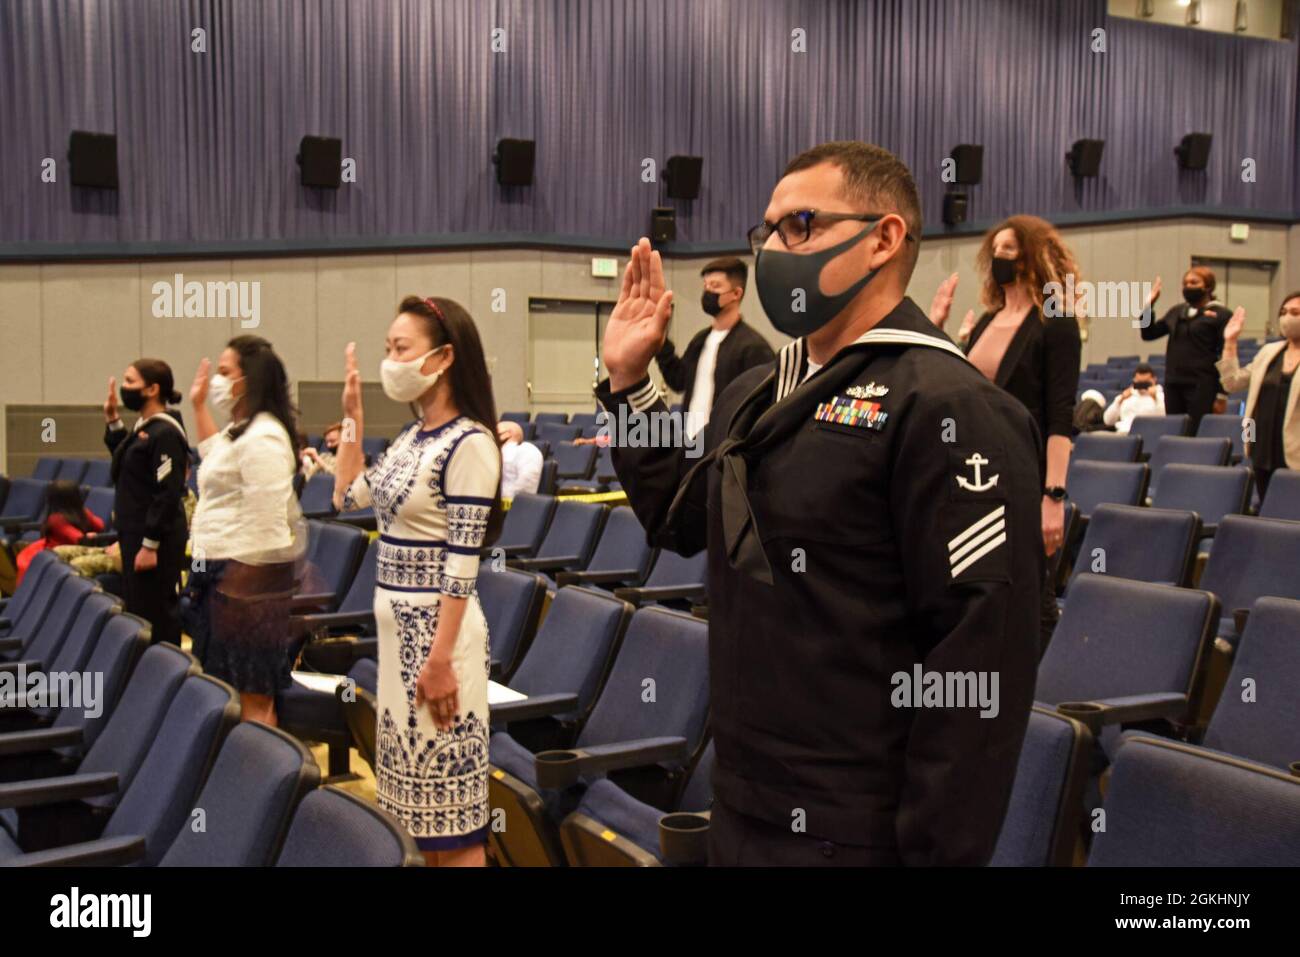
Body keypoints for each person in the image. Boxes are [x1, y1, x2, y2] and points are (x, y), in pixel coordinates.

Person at [598, 142, 1041, 866]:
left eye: (799, 225)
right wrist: (627, 382)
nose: (773, 248)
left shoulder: (949, 406)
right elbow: (676, 515)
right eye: (767, 230)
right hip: (744, 798)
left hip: (857, 827)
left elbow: (978, 664)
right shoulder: (761, 391)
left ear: (884, 239)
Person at [333, 295, 502, 867]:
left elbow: (462, 562)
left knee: (454, 829)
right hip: (396, 648)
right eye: (387, 349)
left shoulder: (471, 443)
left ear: (443, 356)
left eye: (401, 348)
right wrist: (352, 413)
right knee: (414, 824)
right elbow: (346, 495)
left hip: (441, 647)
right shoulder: (411, 439)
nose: (391, 360)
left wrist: (438, 660)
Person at [930, 214, 1082, 651]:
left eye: (1009, 250)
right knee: (979, 584)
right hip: (976, 469)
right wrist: (935, 326)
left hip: (1024, 472)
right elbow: (953, 382)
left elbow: (1060, 414)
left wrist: (1053, 496)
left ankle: (1037, 694)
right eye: (995, 250)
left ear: (1031, 256)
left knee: (1032, 592)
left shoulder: (1055, 322)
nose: (999, 257)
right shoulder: (986, 320)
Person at [188, 335, 306, 725]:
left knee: (253, 695)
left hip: (246, 586)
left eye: (225, 372)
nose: (218, 380)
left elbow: (269, 520)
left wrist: (244, 591)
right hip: (219, 574)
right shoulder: (239, 431)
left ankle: (262, 782)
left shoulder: (265, 436)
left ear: (248, 380)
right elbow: (214, 458)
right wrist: (198, 405)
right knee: (224, 687)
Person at [101, 359, 190, 645]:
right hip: (135, 534)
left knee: (157, 613)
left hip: (155, 540)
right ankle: (145, 677)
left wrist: (150, 544)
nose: (125, 388)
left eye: (130, 382)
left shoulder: (166, 432)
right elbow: (127, 463)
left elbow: (167, 492)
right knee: (139, 610)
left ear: (152, 389)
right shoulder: (145, 427)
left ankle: (168, 678)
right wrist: (113, 420)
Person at [653, 257, 775, 437]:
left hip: (724, 450)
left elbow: (762, 409)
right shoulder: (700, 340)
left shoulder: (754, 348)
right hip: (691, 442)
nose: (708, 291)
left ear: (736, 294)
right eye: (706, 285)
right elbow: (679, 381)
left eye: (715, 286)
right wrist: (660, 341)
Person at [1217, 294, 1300, 498]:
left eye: (1295, 313)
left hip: (1295, 453)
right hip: (1262, 448)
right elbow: (1232, 382)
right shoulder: (1269, 352)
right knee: (1268, 510)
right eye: (1283, 312)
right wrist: (1230, 341)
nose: (1287, 317)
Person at [1138, 266, 1232, 429]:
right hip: (1174, 383)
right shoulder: (1177, 311)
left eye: (1194, 282)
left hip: (1202, 385)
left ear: (1208, 286)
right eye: (1185, 283)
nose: (1188, 286)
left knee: (1195, 431)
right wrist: (1148, 306)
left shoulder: (1221, 314)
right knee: (1175, 430)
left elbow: (1226, 354)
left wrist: (1222, 395)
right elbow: (1148, 334)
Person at [14, 481, 106, 586]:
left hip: (59, 551)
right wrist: (91, 535)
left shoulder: (56, 519)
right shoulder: (83, 512)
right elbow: (100, 525)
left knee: (27, 561)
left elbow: (77, 538)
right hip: (69, 549)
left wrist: (87, 537)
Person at [1103, 362, 1165, 433]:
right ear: (1134, 380)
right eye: (1139, 382)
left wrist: (1155, 398)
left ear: (1154, 380)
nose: (1142, 386)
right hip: (1123, 433)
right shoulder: (1126, 396)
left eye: (1145, 382)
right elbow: (1108, 421)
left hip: (1148, 433)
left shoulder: (1160, 397)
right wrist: (1121, 400)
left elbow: (1164, 419)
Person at [496, 420, 544, 498]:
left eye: (495, 431)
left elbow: (525, 487)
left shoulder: (527, 450)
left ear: (507, 434)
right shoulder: (491, 451)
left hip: (507, 504)